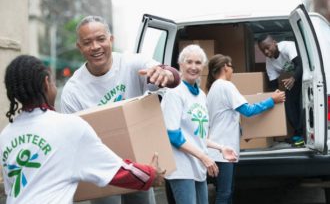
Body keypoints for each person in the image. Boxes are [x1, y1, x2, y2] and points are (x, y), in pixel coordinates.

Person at [0, 55, 166, 204]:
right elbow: (115, 170)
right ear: (46, 83)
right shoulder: (68, 126)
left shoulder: (6, 135)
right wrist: (151, 175)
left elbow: (12, 189)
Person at [60, 16, 180, 204]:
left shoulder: (132, 64)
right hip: (103, 172)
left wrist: (166, 74)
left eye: (100, 39)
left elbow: (169, 76)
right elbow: (72, 141)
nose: (95, 47)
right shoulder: (73, 91)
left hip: (140, 164)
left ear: (111, 40)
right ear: (79, 47)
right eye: (87, 42)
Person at [161, 45, 238, 204]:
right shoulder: (175, 93)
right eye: (189, 62)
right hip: (181, 167)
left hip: (197, 166)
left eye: (198, 62)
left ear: (203, 66)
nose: (194, 67)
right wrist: (204, 157)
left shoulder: (201, 95)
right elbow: (173, 135)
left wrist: (220, 147)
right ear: (180, 65)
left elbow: (198, 134)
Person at [206, 54, 285, 204]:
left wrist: (243, 133)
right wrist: (271, 100)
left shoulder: (213, 89)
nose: (232, 72)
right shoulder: (225, 86)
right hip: (223, 150)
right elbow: (248, 111)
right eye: (232, 67)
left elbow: (225, 119)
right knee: (225, 193)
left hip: (220, 149)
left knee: (226, 192)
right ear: (225, 67)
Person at [257, 34, 304, 147]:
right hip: (294, 81)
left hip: (306, 75)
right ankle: (299, 133)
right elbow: (273, 86)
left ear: (274, 42)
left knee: (303, 101)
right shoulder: (269, 63)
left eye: (268, 47)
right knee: (287, 101)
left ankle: (303, 133)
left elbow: (301, 65)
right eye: (263, 50)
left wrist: (293, 78)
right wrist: (273, 97)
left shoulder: (288, 47)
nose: (266, 52)